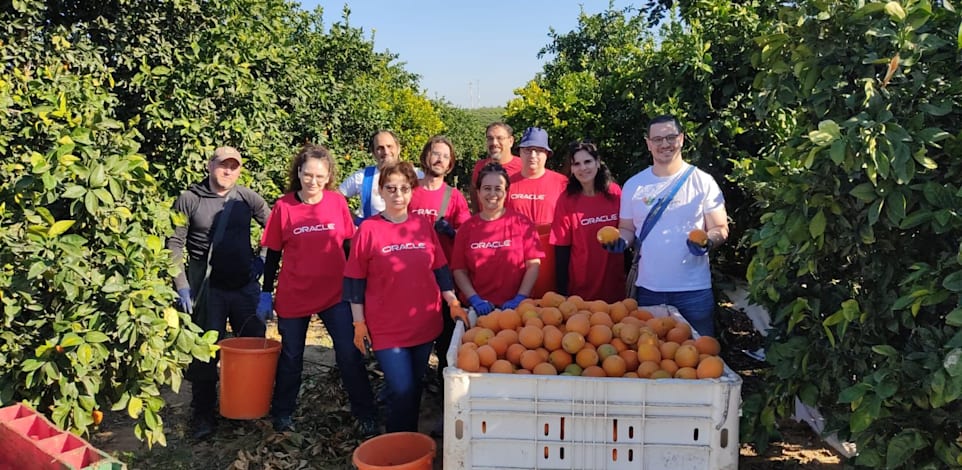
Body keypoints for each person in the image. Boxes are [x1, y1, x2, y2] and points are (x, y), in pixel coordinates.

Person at [258, 145, 378, 436]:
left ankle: (366, 413)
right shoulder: (284, 206)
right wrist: (265, 291)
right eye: (307, 174)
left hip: (334, 294)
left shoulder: (337, 203)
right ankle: (283, 413)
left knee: (349, 353)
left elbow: (350, 246)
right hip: (294, 293)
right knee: (291, 357)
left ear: (328, 177)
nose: (313, 181)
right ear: (298, 172)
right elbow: (272, 252)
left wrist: (359, 286)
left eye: (319, 176)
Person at [343, 162, 467, 433]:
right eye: (391, 188)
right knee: (401, 388)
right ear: (381, 191)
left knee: (414, 387)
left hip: (424, 323)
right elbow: (354, 280)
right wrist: (358, 323)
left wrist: (452, 301)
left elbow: (440, 268)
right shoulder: (368, 230)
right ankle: (396, 443)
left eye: (404, 188)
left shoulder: (422, 225)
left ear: (412, 191)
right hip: (387, 327)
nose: (398, 194)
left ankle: (409, 442)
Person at [167, 146, 270, 440]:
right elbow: (174, 243)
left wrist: (262, 259)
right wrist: (181, 283)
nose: (228, 171)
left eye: (234, 166)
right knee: (204, 353)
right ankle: (203, 414)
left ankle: (247, 404)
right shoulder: (190, 199)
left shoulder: (246, 197)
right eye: (223, 165)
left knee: (253, 346)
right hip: (207, 289)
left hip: (243, 286)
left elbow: (275, 228)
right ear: (210, 165)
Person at [604, 115, 729, 336]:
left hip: (694, 291)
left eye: (670, 137)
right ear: (648, 143)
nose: (664, 144)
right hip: (649, 289)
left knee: (701, 359)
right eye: (658, 139)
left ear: (681, 139)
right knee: (653, 360)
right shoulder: (634, 185)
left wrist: (709, 241)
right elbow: (627, 229)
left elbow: (720, 227)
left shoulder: (703, 181)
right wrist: (620, 242)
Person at [407, 136, 470, 372]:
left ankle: (444, 383)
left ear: (450, 163)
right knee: (414, 334)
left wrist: (452, 232)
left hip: (444, 277)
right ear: (425, 157)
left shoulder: (454, 197)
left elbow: (466, 237)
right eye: (436, 153)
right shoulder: (410, 192)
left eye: (445, 156)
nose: (440, 159)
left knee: (445, 336)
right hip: (412, 276)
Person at [452, 163, 544, 314]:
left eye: (498, 188)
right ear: (478, 192)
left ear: (506, 192)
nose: (492, 194)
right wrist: (474, 299)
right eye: (487, 188)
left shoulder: (522, 223)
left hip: (518, 309)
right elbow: (459, 270)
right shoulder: (466, 229)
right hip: (478, 310)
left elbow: (533, 264)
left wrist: (521, 297)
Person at [550, 141, 626, 303]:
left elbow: (627, 232)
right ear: (571, 169)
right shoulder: (566, 200)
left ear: (597, 163)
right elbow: (561, 248)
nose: (583, 168)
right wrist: (561, 291)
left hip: (614, 285)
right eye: (576, 164)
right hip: (581, 288)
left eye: (587, 162)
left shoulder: (614, 192)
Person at [504, 127, 568, 298]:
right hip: (517, 255)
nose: (532, 155)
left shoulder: (562, 183)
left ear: (547, 154)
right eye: (527, 150)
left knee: (550, 307)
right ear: (520, 153)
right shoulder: (507, 184)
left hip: (552, 255)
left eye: (538, 151)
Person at [338, 130, 402, 224]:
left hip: (405, 236)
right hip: (373, 236)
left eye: (389, 146)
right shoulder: (362, 177)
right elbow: (335, 197)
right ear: (373, 153)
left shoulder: (416, 175)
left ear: (398, 148)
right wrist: (355, 220)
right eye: (380, 148)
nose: (386, 151)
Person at [469, 122, 522, 212]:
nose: (494, 143)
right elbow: (474, 193)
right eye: (490, 138)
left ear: (511, 141)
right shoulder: (480, 166)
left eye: (500, 138)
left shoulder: (522, 167)